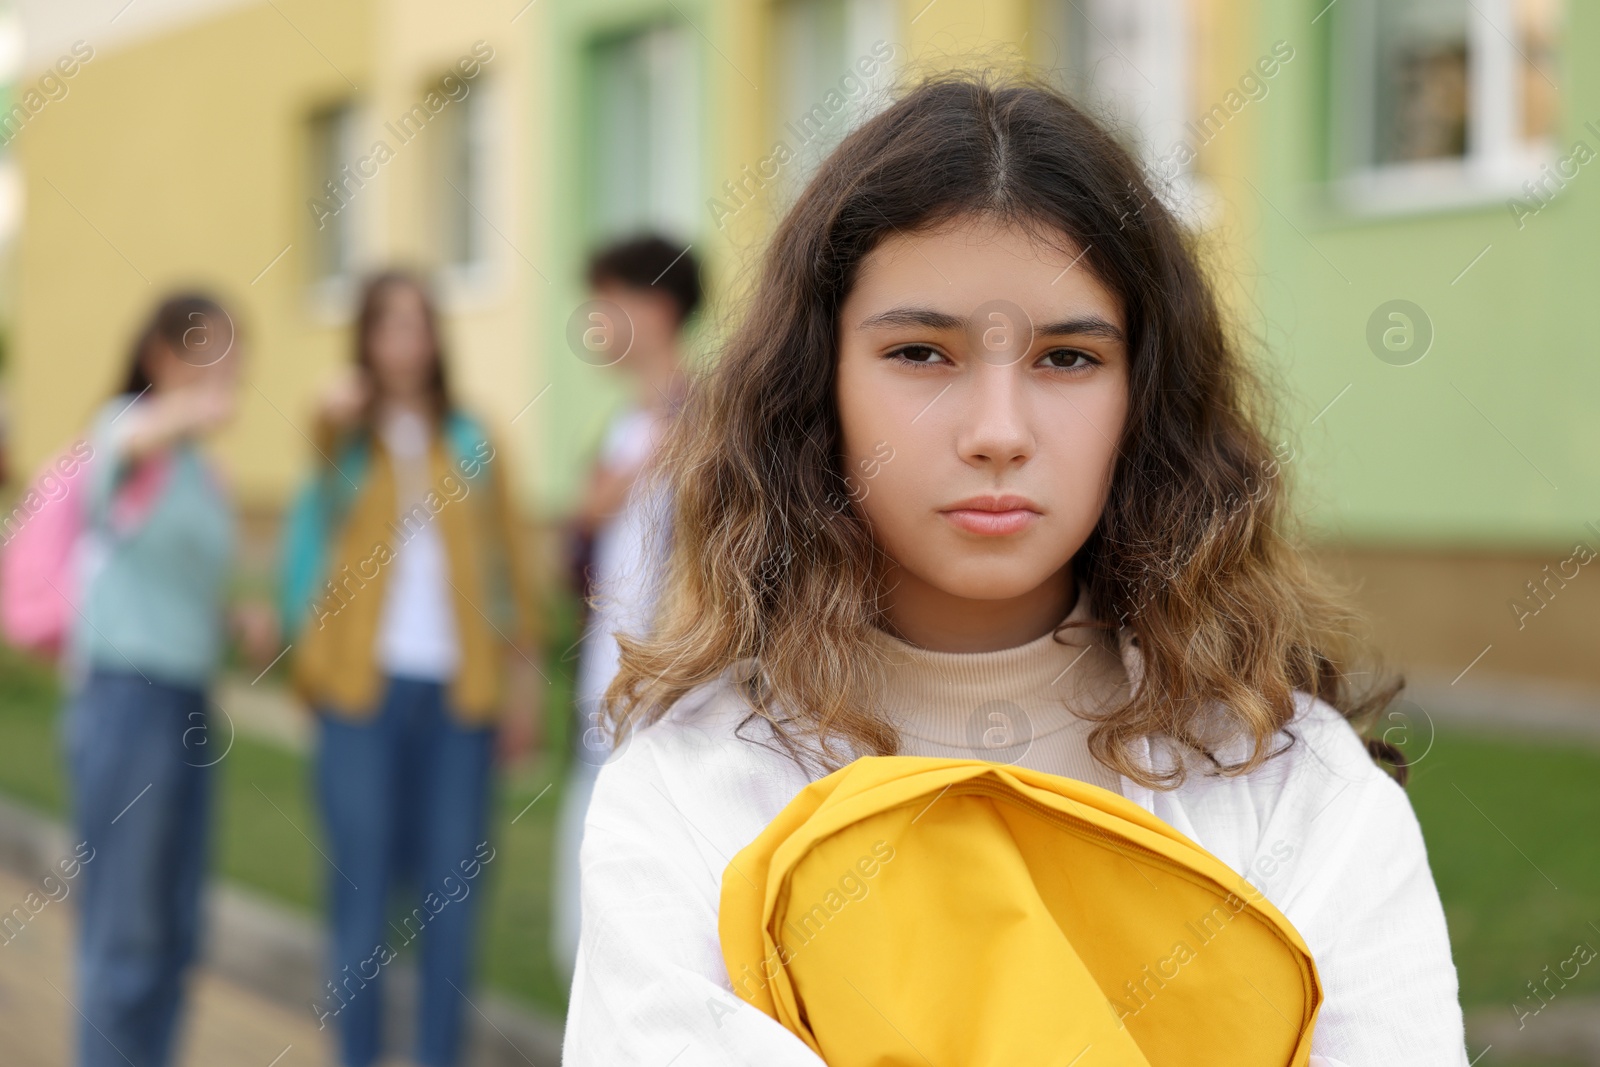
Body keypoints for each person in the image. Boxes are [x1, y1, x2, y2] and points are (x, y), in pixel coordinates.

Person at [562, 75, 1467, 1065]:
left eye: (1067, 359)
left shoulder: (1298, 786)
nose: (998, 431)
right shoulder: (689, 792)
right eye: (920, 352)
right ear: (817, 388)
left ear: (1144, 393)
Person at [278, 270, 541, 1067]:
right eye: (388, 324)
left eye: (418, 323)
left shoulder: (471, 438)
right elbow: (315, 496)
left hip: (460, 699)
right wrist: (329, 416)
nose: (405, 340)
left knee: (452, 906)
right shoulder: (343, 439)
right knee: (360, 901)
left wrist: (523, 677)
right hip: (362, 697)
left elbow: (512, 564)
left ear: (436, 337)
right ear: (365, 337)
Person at [65, 293, 249, 1067]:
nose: (230, 376)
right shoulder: (124, 430)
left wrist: (234, 622)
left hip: (187, 701)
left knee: (176, 932)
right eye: (211, 353)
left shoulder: (203, 473)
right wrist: (188, 411)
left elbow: (180, 586)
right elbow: (133, 441)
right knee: (126, 929)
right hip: (126, 702)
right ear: (159, 355)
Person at [551, 235, 700, 981]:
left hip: (671, 712)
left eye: (610, 298)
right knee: (578, 940)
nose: (597, 318)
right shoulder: (623, 427)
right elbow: (583, 532)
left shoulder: (713, 420)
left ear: (657, 305)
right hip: (601, 707)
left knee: (651, 950)